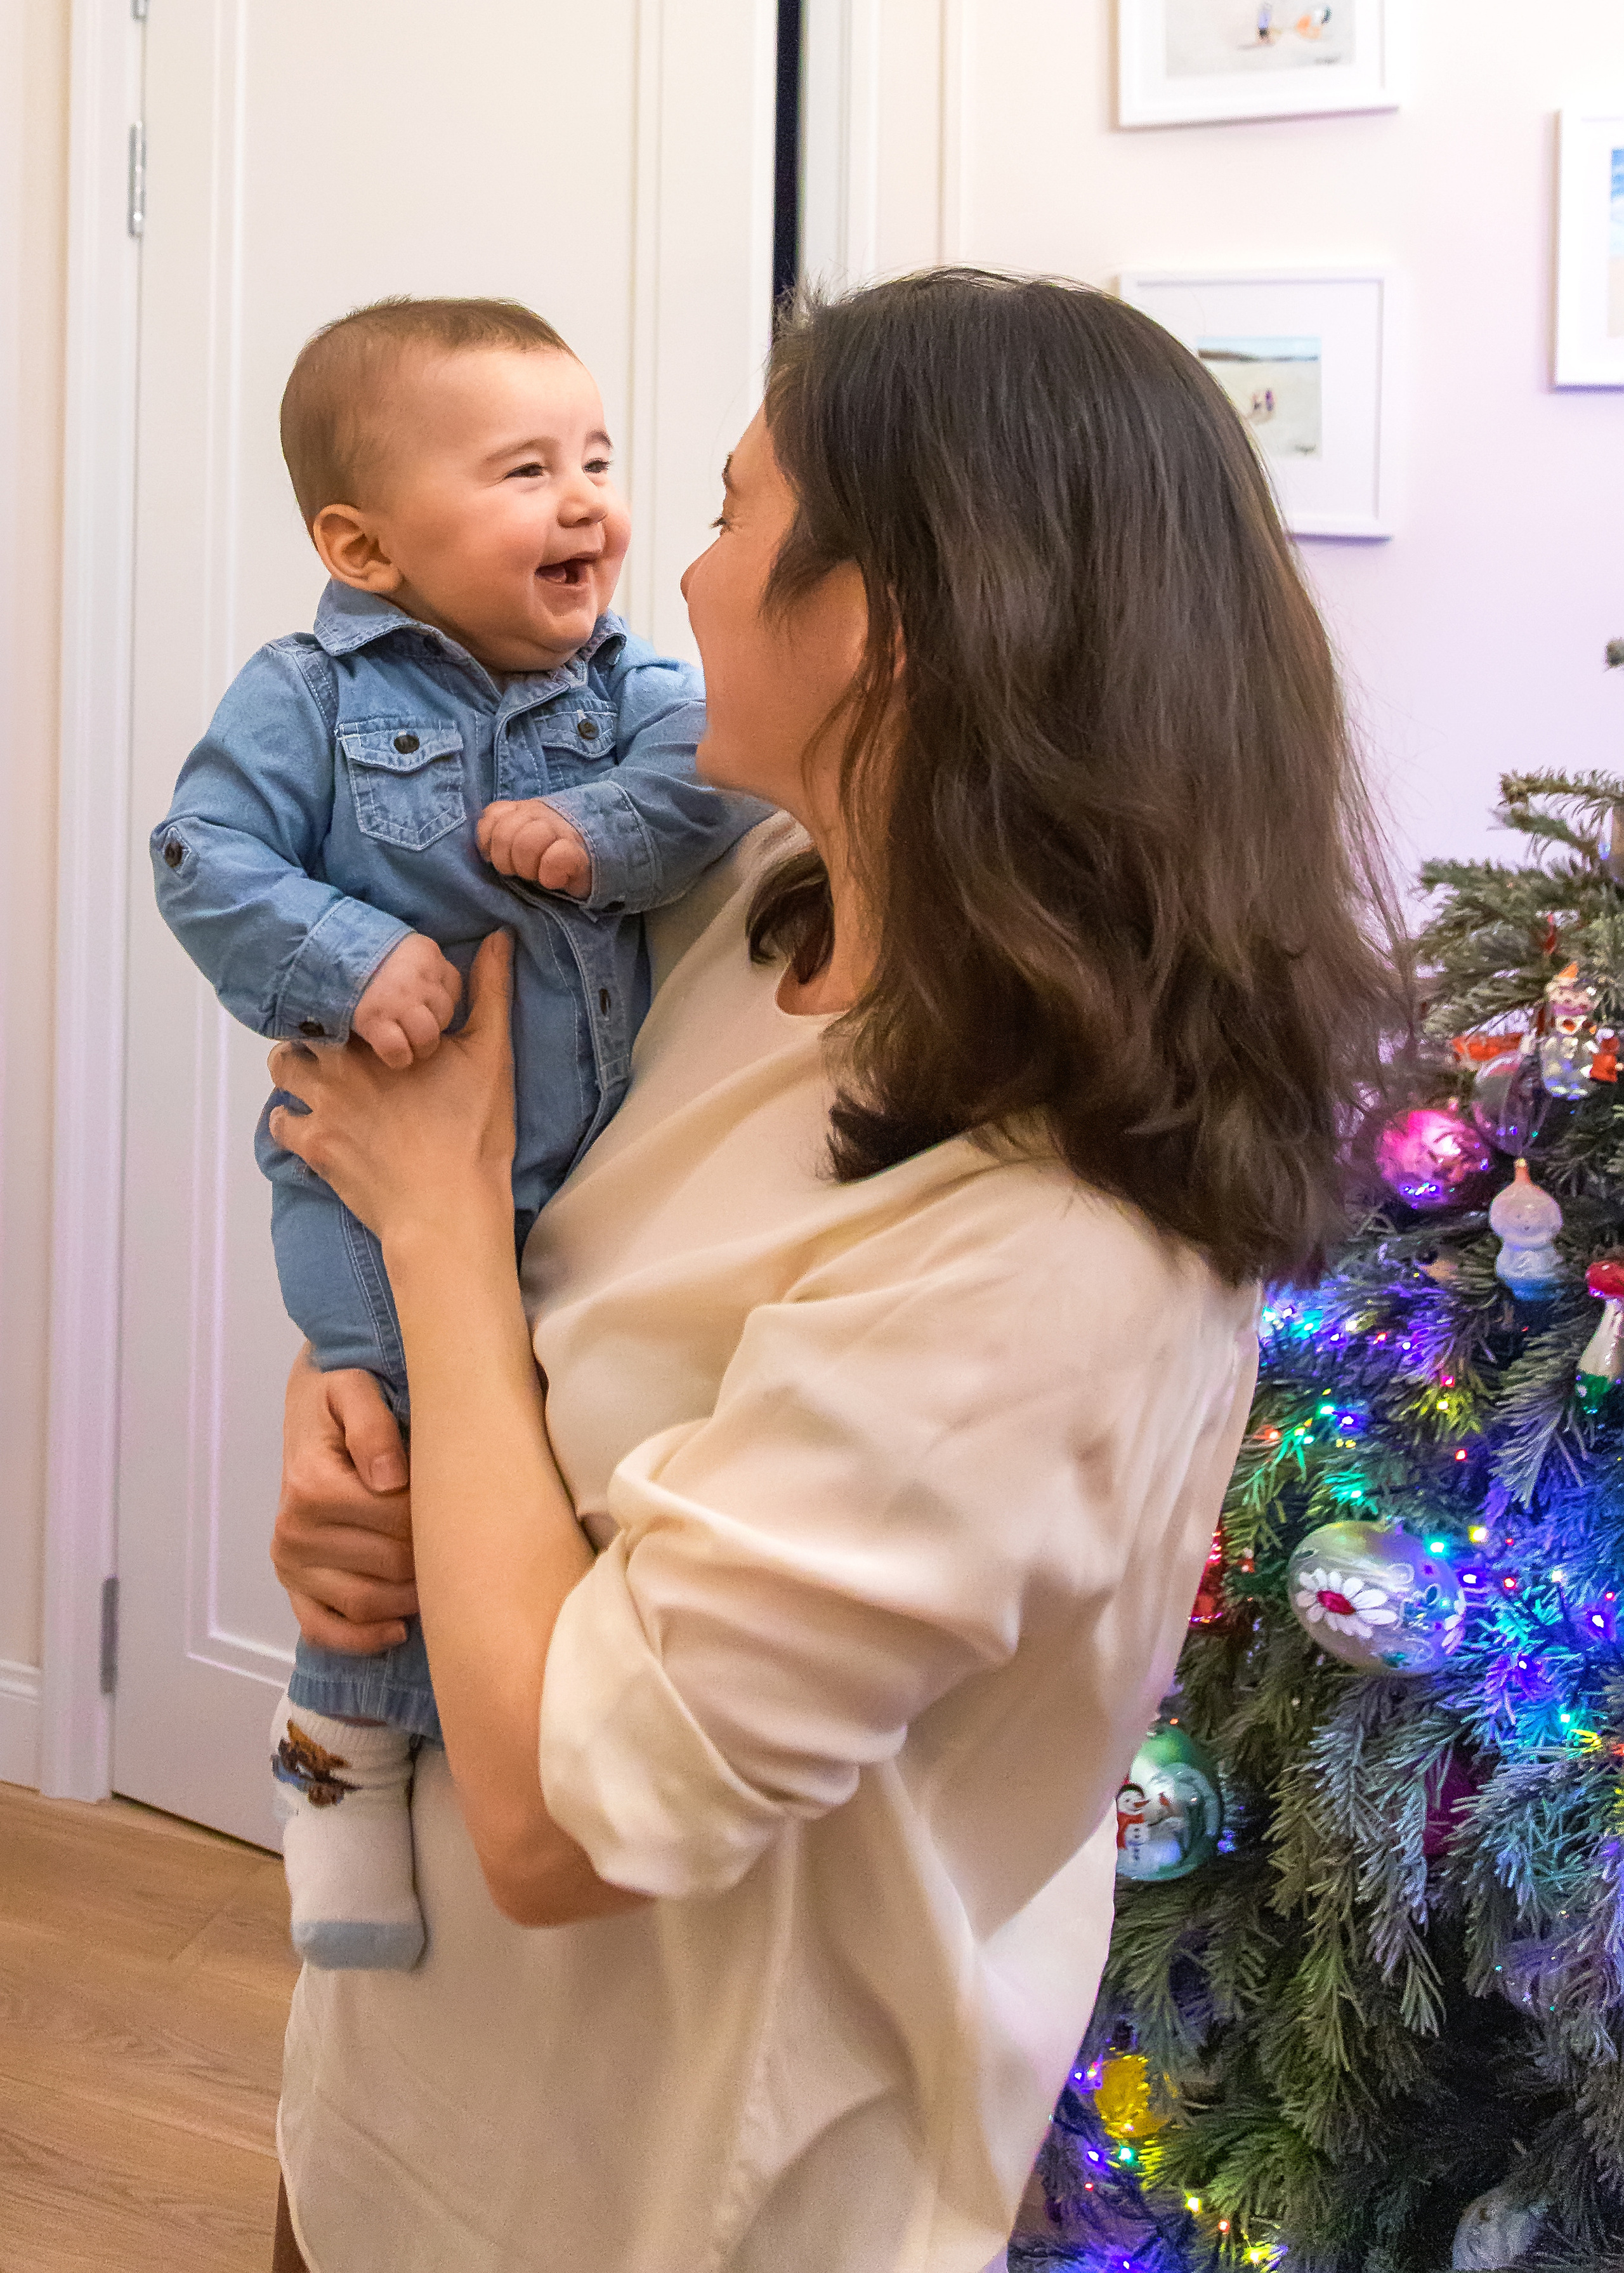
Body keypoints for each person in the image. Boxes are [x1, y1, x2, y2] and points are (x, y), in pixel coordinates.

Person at [263, 269, 1397, 2273]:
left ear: (879, 621)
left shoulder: (1058, 1245)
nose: (666, 572)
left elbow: (570, 1816)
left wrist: (433, 1246)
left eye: (722, 510)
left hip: (663, 2204)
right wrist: (368, 1458)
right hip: (395, 2118)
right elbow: (539, 1369)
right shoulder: (748, 927)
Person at [151, 296, 759, 1973]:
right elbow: (204, 859)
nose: (586, 503)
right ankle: (339, 1764)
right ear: (365, 544)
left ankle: (465, 1736)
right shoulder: (302, 697)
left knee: (518, 1457)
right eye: (522, 471)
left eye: (596, 461)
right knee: (390, 1453)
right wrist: (350, 959)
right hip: (365, 1170)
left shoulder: (636, 687)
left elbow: (699, 793)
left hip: (573, 1175)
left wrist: (595, 832)